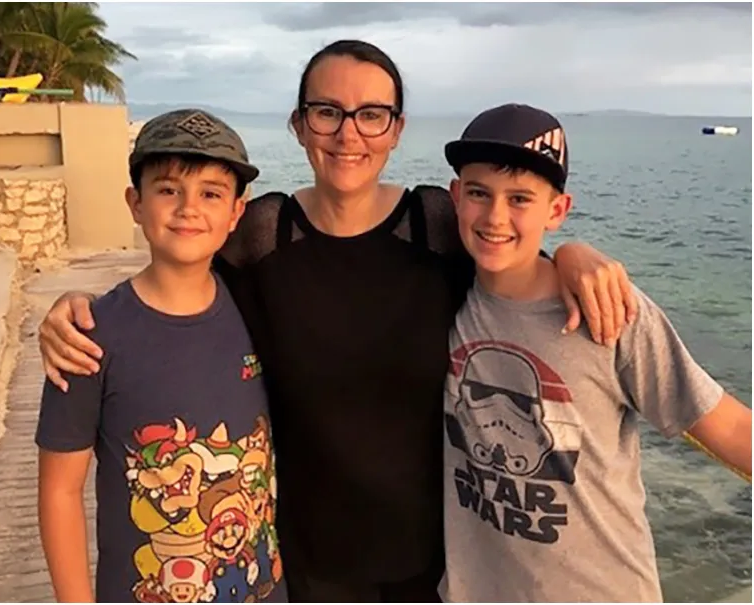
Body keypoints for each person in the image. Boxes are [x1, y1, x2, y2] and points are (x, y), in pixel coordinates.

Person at [36, 40, 639, 602]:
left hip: (436, 569)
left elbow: (510, 256)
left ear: (396, 129)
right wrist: (77, 312)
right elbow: (175, 278)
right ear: (299, 124)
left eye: (371, 114)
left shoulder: (433, 226)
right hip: (295, 568)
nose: (349, 134)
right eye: (327, 112)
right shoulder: (263, 235)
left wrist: (570, 256)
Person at [439, 102, 752, 603]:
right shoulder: (445, 295)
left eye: (520, 198)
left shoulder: (608, 312)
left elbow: (728, 426)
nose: (495, 216)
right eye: (479, 193)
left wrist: (572, 254)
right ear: (456, 197)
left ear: (557, 211)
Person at [35, 109, 288, 603]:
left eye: (211, 194)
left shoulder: (260, 308)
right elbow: (60, 491)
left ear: (237, 212)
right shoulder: (88, 337)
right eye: (169, 189)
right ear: (135, 202)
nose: (188, 208)